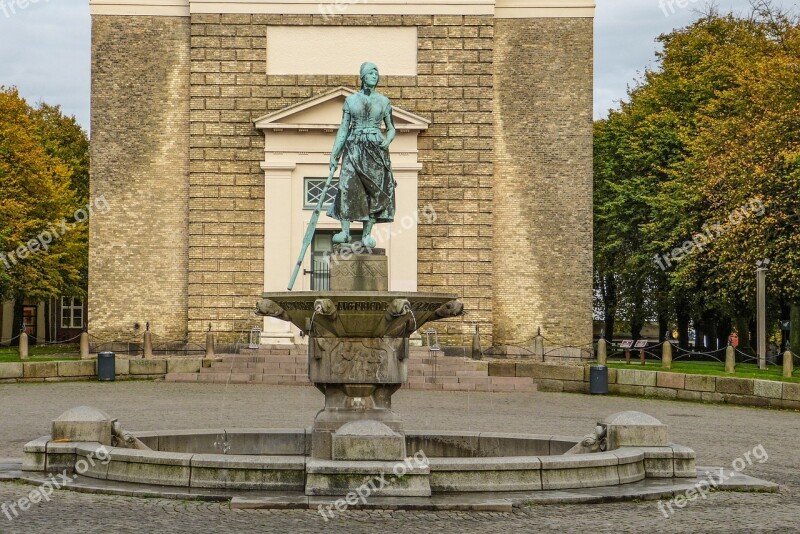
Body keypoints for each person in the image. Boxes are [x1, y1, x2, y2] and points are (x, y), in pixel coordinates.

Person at [327, 62, 396, 248]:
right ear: (363, 77)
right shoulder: (351, 101)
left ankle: (367, 235)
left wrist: (388, 141)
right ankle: (345, 232)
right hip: (353, 145)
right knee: (347, 186)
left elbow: (391, 129)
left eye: (377, 73)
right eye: (371, 73)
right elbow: (343, 128)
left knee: (373, 190)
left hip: (375, 149)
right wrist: (335, 153)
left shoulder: (384, 101)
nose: (375, 76)